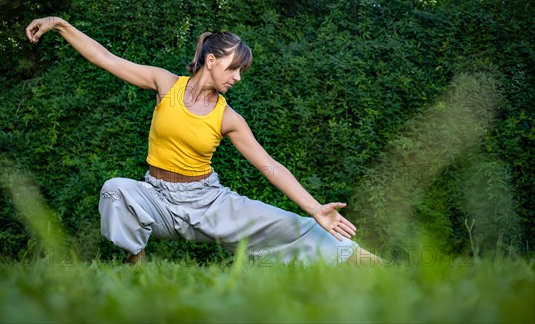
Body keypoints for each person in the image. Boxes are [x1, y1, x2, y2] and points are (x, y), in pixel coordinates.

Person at [25, 17, 381, 266]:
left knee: (296, 227)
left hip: (208, 202)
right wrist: (59, 24)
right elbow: (105, 58)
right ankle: (137, 265)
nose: (239, 77)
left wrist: (316, 208)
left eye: (242, 71)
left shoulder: (228, 118)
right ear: (211, 61)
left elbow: (269, 166)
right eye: (233, 68)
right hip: (157, 198)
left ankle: (370, 265)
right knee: (115, 190)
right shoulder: (165, 84)